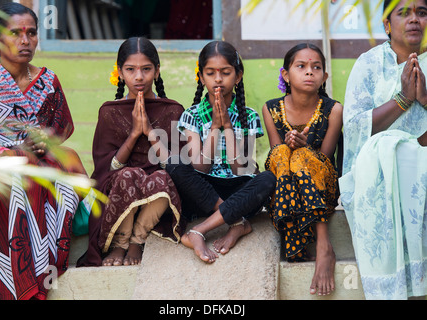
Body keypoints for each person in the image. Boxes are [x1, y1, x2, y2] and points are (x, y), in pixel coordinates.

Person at [0, 3, 87, 300]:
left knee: (65, 172)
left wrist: (45, 140)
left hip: (38, 173)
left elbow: (60, 130)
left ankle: (41, 271)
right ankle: (24, 286)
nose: (25, 41)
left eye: (31, 33)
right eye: (15, 33)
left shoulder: (47, 82)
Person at [340, 0, 427, 300]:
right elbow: (352, 130)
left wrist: (425, 99)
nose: (414, 19)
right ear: (387, 25)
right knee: (388, 147)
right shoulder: (369, 63)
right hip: (377, 170)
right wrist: (403, 99)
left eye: (422, 12)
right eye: (404, 13)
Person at [76, 37, 185, 267]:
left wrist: (152, 134)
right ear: (119, 73)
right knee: (128, 175)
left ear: (157, 72)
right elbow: (106, 169)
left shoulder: (173, 110)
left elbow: (178, 168)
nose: (138, 77)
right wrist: (135, 133)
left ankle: (137, 240)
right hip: (120, 187)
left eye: (146, 69)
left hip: (158, 195)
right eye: (130, 69)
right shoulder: (109, 112)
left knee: (163, 178)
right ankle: (120, 243)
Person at [165, 40, 276, 263]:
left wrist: (228, 126)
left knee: (267, 179)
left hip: (236, 187)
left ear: (238, 76)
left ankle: (200, 230)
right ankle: (237, 222)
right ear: (201, 77)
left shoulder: (249, 116)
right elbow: (201, 167)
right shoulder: (192, 115)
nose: (218, 79)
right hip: (204, 191)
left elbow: (240, 169)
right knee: (175, 164)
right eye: (210, 73)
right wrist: (215, 126)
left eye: (225, 73)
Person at [262, 43, 343, 296]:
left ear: (324, 77)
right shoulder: (271, 108)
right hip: (287, 189)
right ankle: (296, 237)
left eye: (316, 67)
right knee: (284, 154)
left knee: (301, 157)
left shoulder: (334, 110)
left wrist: (305, 148)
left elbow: (326, 161)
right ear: (285, 75)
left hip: (323, 188)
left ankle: (323, 245)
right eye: (301, 66)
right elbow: (278, 161)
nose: (310, 72)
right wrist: (292, 148)